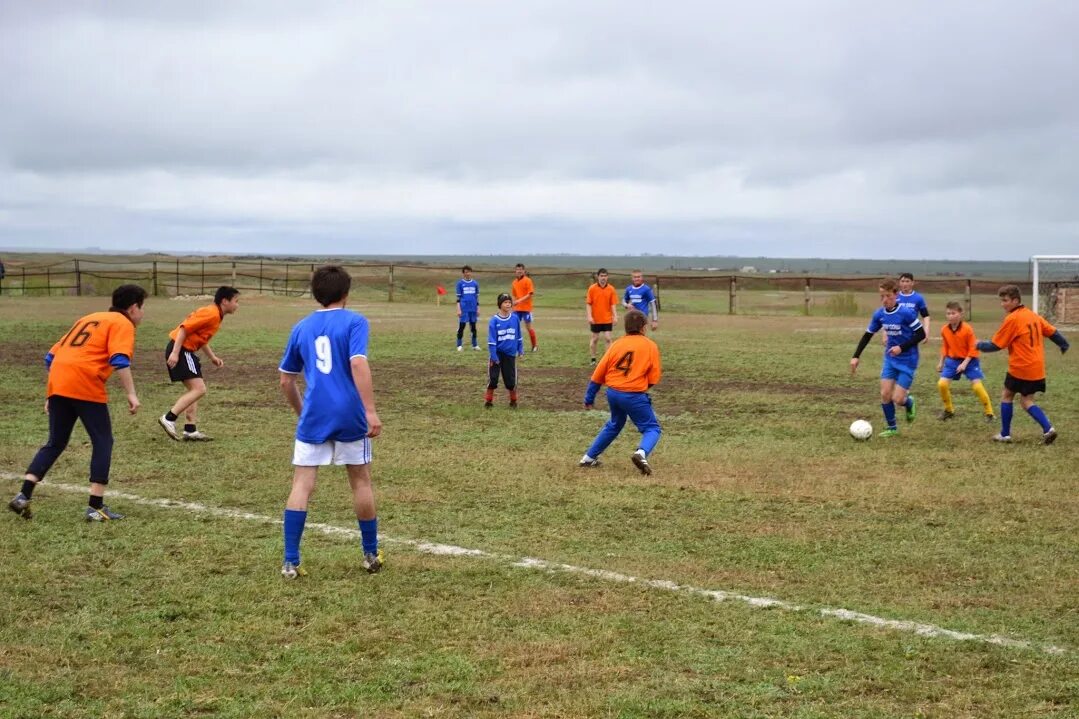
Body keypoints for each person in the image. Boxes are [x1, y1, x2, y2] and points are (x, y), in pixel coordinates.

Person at [8, 284, 147, 522]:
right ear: (133, 307)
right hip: (84, 382)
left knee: (55, 443)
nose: (143, 314)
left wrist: (52, 393)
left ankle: (23, 495)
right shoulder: (122, 323)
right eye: (142, 308)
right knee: (103, 440)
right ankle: (96, 507)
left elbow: (50, 357)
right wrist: (131, 394)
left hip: (59, 382)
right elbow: (120, 359)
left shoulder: (89, 318)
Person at [278, 265, 383, 578]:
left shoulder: (301, 327)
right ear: (346, 294)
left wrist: (303, 413)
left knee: (302, 485)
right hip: (350, 414)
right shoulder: (355, 321)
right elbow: (357, 363)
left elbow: (286, 381)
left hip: (315, 415)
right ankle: (370, 555)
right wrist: (370, 410)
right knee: (360, 481)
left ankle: (290, 561)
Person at [976, 285, 1069, 444]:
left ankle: (1005, 434)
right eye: (1001, 301)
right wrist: (1064, 344)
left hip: (1021, 367)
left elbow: (996, 345)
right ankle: (1048, 429)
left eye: (1005, 301)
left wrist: (977, 345)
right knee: (1027, 401)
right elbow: (1052, 332)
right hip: (1037, 368)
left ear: (1015, 300)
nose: (1002, 304)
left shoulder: (1012, 319)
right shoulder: (1032, 315)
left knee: (1007, 395)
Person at [580, 310, 662, 475]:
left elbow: (599, 373)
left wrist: (589, 397)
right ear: (643, 328)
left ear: (626, 328)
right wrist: (642, 389)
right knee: (652, 428)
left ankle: (588, 458)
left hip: (613, 393)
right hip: (633, 394)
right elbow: (654, 376)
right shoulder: (650, 345)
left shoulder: (616, 344)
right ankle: (641, 453)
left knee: (615, 423)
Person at [159, 286, 241, 441]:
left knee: (194, 390)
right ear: (225, 301)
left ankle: (190, 429)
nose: (238, 305)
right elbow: (184, 329)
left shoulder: (216, 314)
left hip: (185, 350)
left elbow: (200, 338)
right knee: (199, 389)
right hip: (182, 349)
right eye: (236, 301)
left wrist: (212, 357)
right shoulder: (211, 313)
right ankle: (169, 418)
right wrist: (176, 353)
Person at [850, 278, 926, 437]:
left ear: (896, 295)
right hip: (890, 359)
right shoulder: (879, 314)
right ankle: (892, 428)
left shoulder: (906, 313)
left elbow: (921, 334)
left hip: (908, 360)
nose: (884, 300)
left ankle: (909, 402)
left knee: (898, 399)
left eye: (888, 296)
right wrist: (856, 356)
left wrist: (901, 347)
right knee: (885, 394)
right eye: (882, 296)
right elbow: (868, 335)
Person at [936, 301, 995, 421]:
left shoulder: (967, 329)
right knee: (942, 384)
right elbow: (945, 347)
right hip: (952, 360)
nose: (950, 316)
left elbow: (973, 348)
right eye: (948, 313)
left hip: (970, 360)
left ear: (960, 314)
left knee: (977, 386)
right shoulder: (944, 330)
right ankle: (949, 410)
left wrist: (964, 363)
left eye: (953, 313)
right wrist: (941, 361)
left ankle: (990, 413)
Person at [486, 293, 524, 408]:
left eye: (509, 302)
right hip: (497, 354)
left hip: (510, 354)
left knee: (511, 381)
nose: (508, 304)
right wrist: (494, 356)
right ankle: (488, 401)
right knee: (493, 379)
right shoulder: (494, 321)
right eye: (505, 302)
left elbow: (519, 335)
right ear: (500, 304)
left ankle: (513, 401)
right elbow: (491, 341)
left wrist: (520, 349)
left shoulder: (515, 318)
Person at [586, 268, 619, 365]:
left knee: (608, 338)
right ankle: (593, 359)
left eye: (605, 276)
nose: (603, 278)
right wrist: (589, 316)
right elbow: (588, 304)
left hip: (607, 318)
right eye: (601, 276)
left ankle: (607, 359)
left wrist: (615, 316)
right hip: (596, 319)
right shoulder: (592, 288)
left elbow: (613, 304)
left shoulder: (611, 289)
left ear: (607, 277)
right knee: (595, 338)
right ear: (598, 277)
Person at [511, 263, 538, 352]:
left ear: (523, 271)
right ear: (515, 271)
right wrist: (514, 303)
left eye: (520, 269)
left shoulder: (528, 280)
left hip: (526, 309)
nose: (519, 271)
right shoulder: (514, 282)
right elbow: (515, 295)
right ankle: (515, 346)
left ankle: (534, 346)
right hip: (517, 309)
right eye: (517, 269)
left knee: (528, 328)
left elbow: (530, 294)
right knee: (514, 327)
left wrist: (519, 301)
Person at [455, 265, 481, 351]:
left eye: (469, 272)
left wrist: (478, 308)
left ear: (471, 272)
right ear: (463, 273)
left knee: (473, 327)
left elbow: (476, 298)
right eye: (466, 272)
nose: (468, 273)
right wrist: (458, 309)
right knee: (462, 326)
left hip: (473, 309)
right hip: (464, 309)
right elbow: (458, 299)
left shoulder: (475, 284)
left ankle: (475, 345)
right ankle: (459, 345)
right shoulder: (460, 284)